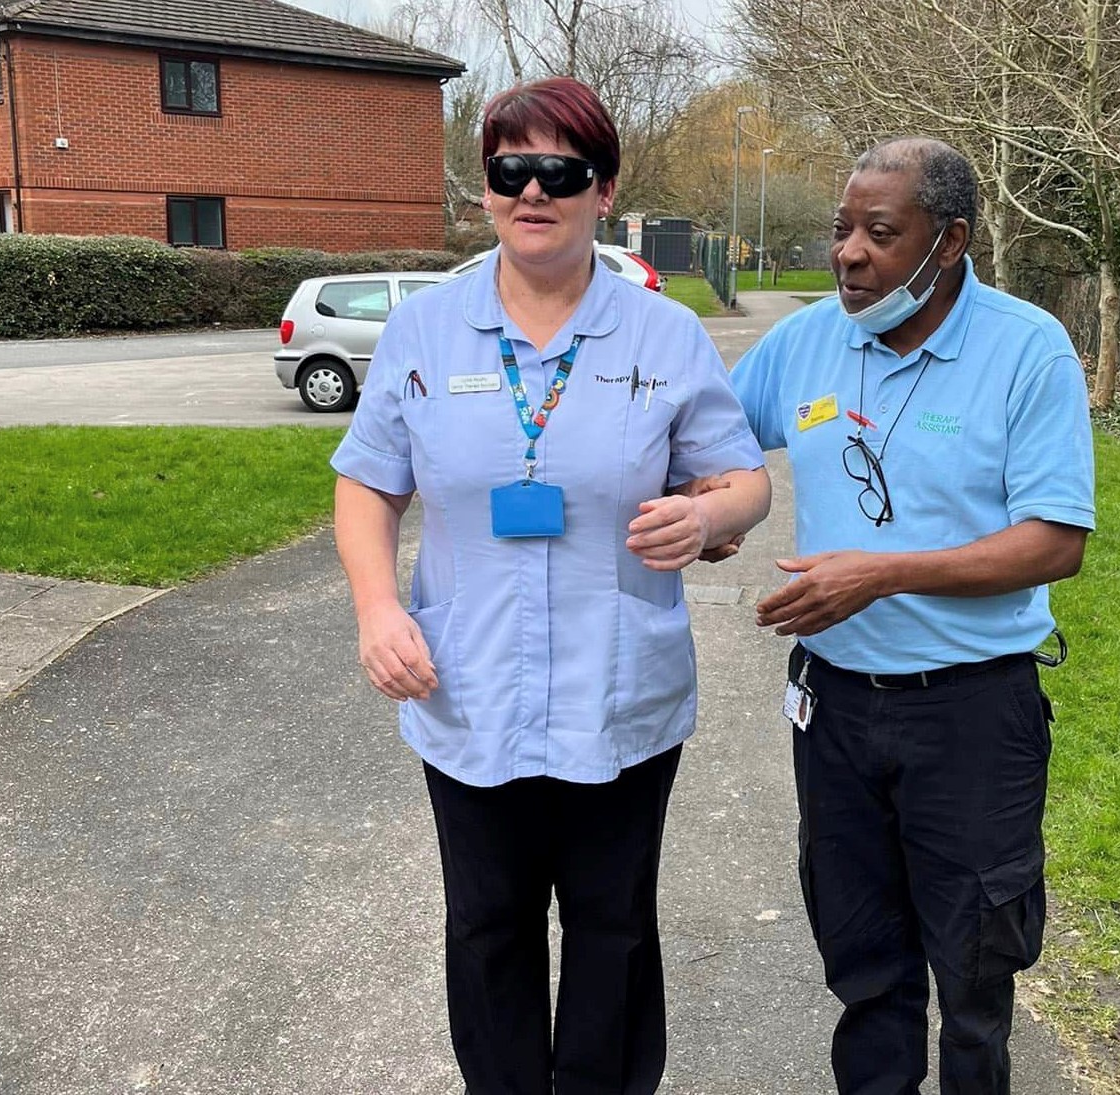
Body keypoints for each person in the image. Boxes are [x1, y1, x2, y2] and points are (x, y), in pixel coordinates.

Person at [329, 76, 770, 1095]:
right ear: (485, 189)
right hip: (468, 690)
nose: (534, 191)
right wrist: (377, 607)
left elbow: (743, 478)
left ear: (605, 189)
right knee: (487, 927)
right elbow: (365, 485)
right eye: (509, 169)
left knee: (613, 927)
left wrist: (709, 517)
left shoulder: (664, 337)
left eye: (561, 170)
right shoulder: (425, 334)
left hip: (618, 699)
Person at [726, 137, 1095, 1094]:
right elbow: (715, 441)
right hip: (836, 712)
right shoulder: (805, 341)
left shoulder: (1025, 348)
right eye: (841, 229)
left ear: (949, 241)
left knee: (974, 978)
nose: (848, 252)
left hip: (971, 716)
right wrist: (712, 507)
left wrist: (883, 575)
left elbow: (1055, 540)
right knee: (864, 966)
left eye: (879, 233)